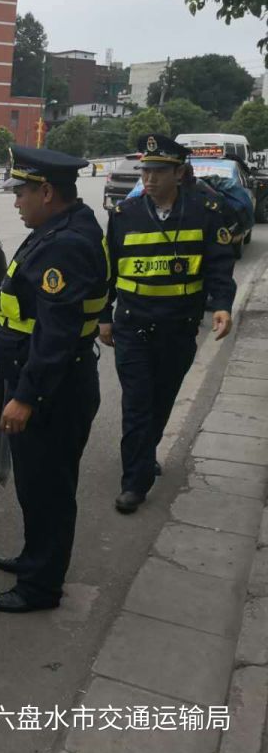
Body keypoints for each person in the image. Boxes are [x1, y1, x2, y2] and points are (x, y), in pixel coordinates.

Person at [0, 146, 110, 613]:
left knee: (50, 490)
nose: (15, 201)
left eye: (21, 191)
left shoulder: (65, 244)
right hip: (53, 385)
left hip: (51, 393)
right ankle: (35, 557)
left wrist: (26, 397)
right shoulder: (62, 228)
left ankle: (40, 588)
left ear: (46, 190)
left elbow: (55, 336)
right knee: (37, 486)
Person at [99, 134, 236, 514]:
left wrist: (222, 305)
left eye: (159, 171)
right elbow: (106, 272)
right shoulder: (124, 217)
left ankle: (144, 452)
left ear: (179, 173)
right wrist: (102, 316)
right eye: (146, 170)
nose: (149, 178)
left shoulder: (205, 211)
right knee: (138, 404)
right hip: (133, 326)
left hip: (178, 327)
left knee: (161, 400)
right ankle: (135, 481)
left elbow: (219, 266)